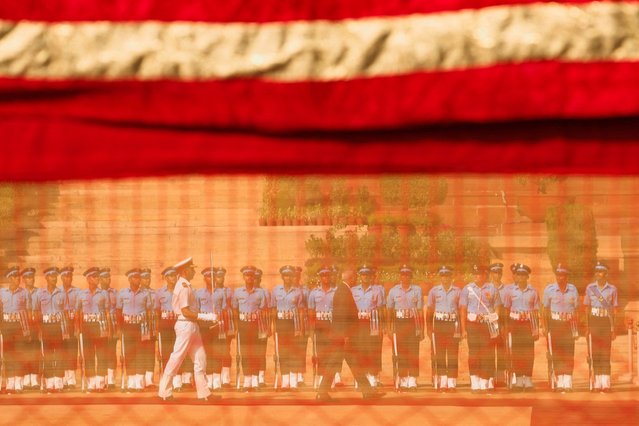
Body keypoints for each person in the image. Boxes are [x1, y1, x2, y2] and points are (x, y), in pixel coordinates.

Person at [315, 270, 385, 401]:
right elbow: (342, 316)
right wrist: (345, 336)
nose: (356, 280)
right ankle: (322, 392)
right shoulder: (343, 291)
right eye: (354, 277)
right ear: (351, 278)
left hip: (343, 336)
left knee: (353, 364)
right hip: (343, 337)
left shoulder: (342, 290)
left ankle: (367, 392)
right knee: (336, 364)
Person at [158, 257, 220, 402]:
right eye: (192, 269)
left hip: (192, 326)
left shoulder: (185, 284)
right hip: (185, 324)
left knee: (200, 358)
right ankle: (164, 392)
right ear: (186, 271)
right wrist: (206, 317)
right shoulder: (183, 286)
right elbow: (185, 311)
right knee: (177, 358)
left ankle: (204, 393)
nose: (194, 271)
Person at [460, 264, 501, 393]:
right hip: (472, 324)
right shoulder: (467, 289)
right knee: (473, 353)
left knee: (486, 353)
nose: (476, 276)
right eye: (475, 274)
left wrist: (494, 324)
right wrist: (463, 329)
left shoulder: (493, 288)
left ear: (485, 275)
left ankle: (484, 380)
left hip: (486, 325)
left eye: (479, 274)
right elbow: (463, 310)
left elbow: (497, 307)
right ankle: (475, 380)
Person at [541, 263, 579, 392]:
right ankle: (558, 379)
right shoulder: (549, 290)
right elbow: (544, 309)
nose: (560, 277)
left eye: (562, 275)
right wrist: (545, 327)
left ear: (567, 276)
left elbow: (577, 309)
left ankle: (567, 380)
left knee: (568, 352)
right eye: (558, 274)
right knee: (556, 352)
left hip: (568, 324)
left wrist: (576, 327)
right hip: (555, 323)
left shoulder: (573, 289)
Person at [502, 264, 540, 392]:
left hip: (528, 324)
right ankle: (518, 379)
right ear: (516, 276)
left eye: (523, 275)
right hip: (515, 323)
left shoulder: (534, 291)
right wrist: (506, 327)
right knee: (517, 352)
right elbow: (506, 309)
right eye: (518, 274)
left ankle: (528, 379)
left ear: (527, 276)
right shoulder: (510, 291)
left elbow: (535, 312)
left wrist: (536, 329)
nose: (521, 277)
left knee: (528, 352)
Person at [386, 265, 424, 391]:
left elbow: (419, 311)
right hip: (399, 322)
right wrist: (389, 327)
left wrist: (421, 328)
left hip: (413, 322)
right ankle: (402, 379)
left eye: (407, 274)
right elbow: (389, 310)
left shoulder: (417, 290)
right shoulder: (393, 291)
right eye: (403, 274)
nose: (405, 277)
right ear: (400, 276)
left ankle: (412, 380)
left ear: (411, 276)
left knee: (413, 351)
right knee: (400, 352)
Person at [232, 265, 268, 392]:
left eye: (251, 276)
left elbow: (263, 309)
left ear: (254, 277)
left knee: (256, 352)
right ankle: (247, 382)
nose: (249, 278)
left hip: (256, 324)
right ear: (243, 277)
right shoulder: (237, 292)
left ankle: (255, 381)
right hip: (243, 324)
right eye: (247, 275)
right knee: (245, 352)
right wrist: (236, 327)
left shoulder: (260, 292)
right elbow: (235, 310)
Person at [583, 261, 618, 392]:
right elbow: (587, 308)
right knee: (595, 352)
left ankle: (606, 382)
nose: (598, 274)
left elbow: (614, 310)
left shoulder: (612, 289)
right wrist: (587, 327)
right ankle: (597, 382)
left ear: (606, 273)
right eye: (597, 271)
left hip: (606, 322)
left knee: (606, 352)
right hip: (594, 321)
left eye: (601, 271)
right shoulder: (590, 288)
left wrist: (613, 328)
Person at [116, 268, 152, 392]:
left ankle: (139, 383)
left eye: (139, 277)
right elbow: (118, 312)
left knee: (141, 354)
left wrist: (149, 328)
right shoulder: (122, 293)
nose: (138, 280)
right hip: (127, 325)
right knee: (129, 354)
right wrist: (119, 329)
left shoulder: (145, 293)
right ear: (130, 279)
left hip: (141, 326)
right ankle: (131, 383)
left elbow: (148, 312)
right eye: (136, 277)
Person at [31, 267, 67, 393]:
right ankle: (49, 382)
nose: (54, 278)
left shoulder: (62, 293)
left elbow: (65, 312)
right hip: (45, 326)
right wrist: (39, 329)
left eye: (55, 276)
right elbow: (35, 312)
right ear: (46, 277)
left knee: (59, 354)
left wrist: (65, 330)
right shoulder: (39, 294)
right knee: (47, 355)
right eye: (51, 276)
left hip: (58, 326)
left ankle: (58, 383)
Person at [426, 265, 461, 392]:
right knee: (439, 354)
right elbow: (429, 311)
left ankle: (451, 382)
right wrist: (429, 328)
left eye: (447, 275)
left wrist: (461, 329)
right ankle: (442, 381)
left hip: (453, 323)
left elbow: (461, 310)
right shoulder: (434, 291)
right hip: (439, 323)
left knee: (452, 353)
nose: (445, 278)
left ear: (451, 277)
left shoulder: (458, 291)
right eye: (443, 275)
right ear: (440, 277)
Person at [271, 265, 305, 390]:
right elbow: (273, 310)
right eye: (285, 275)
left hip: (293, 323)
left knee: (294, 352)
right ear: (282, 277)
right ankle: (285, 380)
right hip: (281, 323)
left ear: (292, 277)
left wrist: (300, 328)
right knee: (283, 352)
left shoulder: (298, 292)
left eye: (290, 275)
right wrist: (273, 326)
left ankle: (293, 380)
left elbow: (301, 311)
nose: (288, 278)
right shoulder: (275, 291)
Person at [76, 267, 110, 392]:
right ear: (89, 279)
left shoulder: (103, 294)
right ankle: (91, 383)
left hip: (100, 325)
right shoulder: (81, 294)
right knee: (88, 355)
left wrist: (109, 329)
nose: (98, 279)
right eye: (95, 277)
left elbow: (107, 313)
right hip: (86, 326)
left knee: (101, 355)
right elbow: (78, 313)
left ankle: (100, 383)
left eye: (98, 276)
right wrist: (77, 328)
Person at [351, 265, 385, 388]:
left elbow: (381, 309)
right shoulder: (353, 290)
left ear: (371, 277)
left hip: (372, 323)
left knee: (372, 350)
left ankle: (372, 377)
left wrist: (382, 326)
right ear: (360, 276)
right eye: (363, 275)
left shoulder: (377, 290)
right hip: (358, 323)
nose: (365, 277)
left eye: (367, 275)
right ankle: (360, 379)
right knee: (360, 350)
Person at [196, 266, 227, 391]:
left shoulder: (220, 292)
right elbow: (197, 311)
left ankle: (217, 380)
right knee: (207, 352)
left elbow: (224, 310)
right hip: (204, 325)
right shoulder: (198, 293)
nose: (211, 279)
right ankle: (208, 380)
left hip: (218, 324)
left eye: (213, 276)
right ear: (204, 278)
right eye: (208, 276)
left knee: (217, 352)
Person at [0, 266, 31, 393]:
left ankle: (19, 383)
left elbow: (28, 312)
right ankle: (10, 383)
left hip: (19, 326)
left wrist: (28, 330)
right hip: (7, 325)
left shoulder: (24, 293)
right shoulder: (2, 293)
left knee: (19, 355)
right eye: (15, 276)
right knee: (7, 355)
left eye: (18, 276)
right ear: (9, 278)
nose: (18, 279)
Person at [307, 266, 338, 390]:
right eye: (323, 275)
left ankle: (331, 378)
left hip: (332, 324)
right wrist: (311, 328)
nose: (325, 278)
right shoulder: (314, 293)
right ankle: (321, 377)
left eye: (327, 275)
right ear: (320, 277)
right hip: (319, 324)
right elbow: (311, 311)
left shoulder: (335, 292)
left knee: (332, 353)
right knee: (320, 352)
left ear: (330, 277)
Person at [155, 266, 185, 391]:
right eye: (171, 276)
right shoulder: (159, 293)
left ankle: (178, 381)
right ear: (166, 278)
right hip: (165, 324)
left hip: (178, 321)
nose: (173, 278)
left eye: (175, 275)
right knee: (166, 352)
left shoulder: (181, 290)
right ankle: (167, 380)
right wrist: (157, 328)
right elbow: (157, 311)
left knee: (178, 351)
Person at [490, 262, 511, 389]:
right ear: (491, 274)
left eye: (499, 272)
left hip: (502, 321)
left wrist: (505, 326)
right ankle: (491, 377)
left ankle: (501, 377)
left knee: (502, 350)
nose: (497, 275)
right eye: (494, 272)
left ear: (501, 274)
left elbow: (507, 308)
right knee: (490, 350)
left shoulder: (507, 289)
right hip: (488, 321)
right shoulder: (486, 288)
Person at [60, 266, 80, 389]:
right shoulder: (57, 291)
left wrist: (77, 326)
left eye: (70, 276)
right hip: (60, 324)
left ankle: (71, 379)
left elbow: (78, 310)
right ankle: (63, 378)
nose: (68, 278)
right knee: (62, 351)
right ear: (61, 277)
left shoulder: (77, 292)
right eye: (66, 276)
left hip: (72, 323)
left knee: (72, 351)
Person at [98, 268, 118, 390]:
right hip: (101, 326)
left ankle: (111, 380)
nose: (108, 279)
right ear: (100, 279)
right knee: (101, 354)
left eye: (109, 277)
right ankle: (102, 379)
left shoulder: (115, 292)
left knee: (111, 353)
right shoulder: (97, 292)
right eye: (105, 277)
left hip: (113, 325)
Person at [21, 267, 40, 390]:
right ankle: (26, 378)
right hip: (23, 324)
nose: (30, 279)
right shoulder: (21, 292)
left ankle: (34, 379)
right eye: (28, 277)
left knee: (35, 351)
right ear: (23, 279)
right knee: (24, 352)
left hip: (35, 323)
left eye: (32, 277)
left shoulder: (39, 292)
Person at [140, 268, 157, 390]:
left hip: (151, 326)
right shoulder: (138, 292)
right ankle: (140, 380)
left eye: (148, 278)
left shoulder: (154, 293)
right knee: (141, 353)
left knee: (151, 353)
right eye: (145, 278)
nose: (147, 280)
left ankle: (149, 380)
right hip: (140, 326)